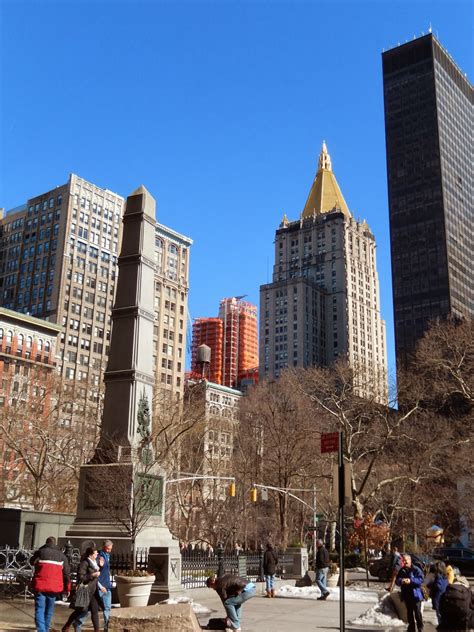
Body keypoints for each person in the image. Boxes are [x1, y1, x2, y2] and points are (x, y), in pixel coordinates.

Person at [31, 536, 71, 632]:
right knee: (49, 610)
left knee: (39, 609)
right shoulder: (61, 556)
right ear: (55, 543)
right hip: (54, 587)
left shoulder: (40, 552)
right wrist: (67, 588)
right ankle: (45, 628)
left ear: (46, 543)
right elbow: (66, 573)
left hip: (40, 585)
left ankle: (41, 630)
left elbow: (31, 561)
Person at [62, 547, 102, 632]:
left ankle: (97, 630)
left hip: (93, 591)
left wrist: (100, 568)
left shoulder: (95, 563)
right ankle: (67, 625)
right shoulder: (84, 563)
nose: (97, 554)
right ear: (91, 555)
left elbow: (97, 575)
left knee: (95, 611)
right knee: (79, 611)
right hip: (85, 590)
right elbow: (81, 577)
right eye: (95, 553)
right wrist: (92, 575)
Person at [395, 553, 425, 632]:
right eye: (403, 561)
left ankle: (420, 627)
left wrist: (411, 580)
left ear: (410, 560)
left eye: (406, 560)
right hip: (406, 594)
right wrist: (401, 581)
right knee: (409, 612)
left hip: (416, 594)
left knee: (417, 612)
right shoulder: (402, 570)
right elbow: (397, 581)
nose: (404, 562)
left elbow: (421, 580)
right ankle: (411, 628)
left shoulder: (416, 569)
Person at [97, 540, 113, 630]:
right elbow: (96, 572)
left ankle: (106, 627)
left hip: (107, 586)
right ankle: (77, 623)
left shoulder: (107, 556)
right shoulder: (99, 557)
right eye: (108, 549)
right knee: (91, 608)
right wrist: (100, 586)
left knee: (107, 608)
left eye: (110, 549)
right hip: (100, 586)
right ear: (104, 547)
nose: (109, 550)